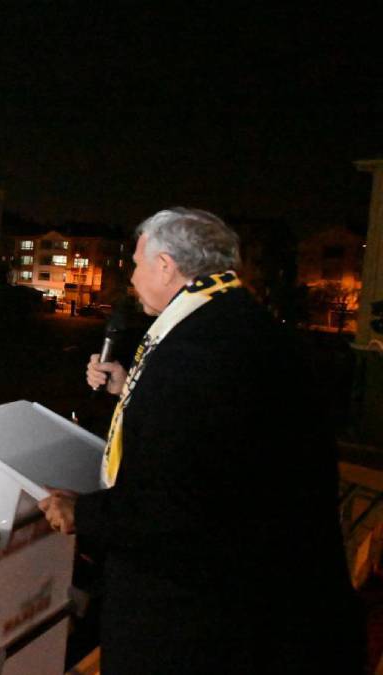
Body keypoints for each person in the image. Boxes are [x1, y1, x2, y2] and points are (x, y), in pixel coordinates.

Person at [38, 207, 363, 674]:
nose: (130, 276)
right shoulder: (239, 324)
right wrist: (130, 388)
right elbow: (219, 440)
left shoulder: (196, 353)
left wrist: (82, 512)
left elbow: (178, 501)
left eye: (135, 262)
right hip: (275, 604)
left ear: (166, 265)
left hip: (208, 625)